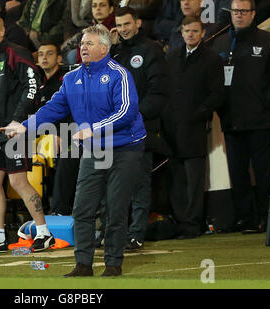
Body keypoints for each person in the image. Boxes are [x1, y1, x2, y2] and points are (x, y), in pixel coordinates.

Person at [0, 24, 146, 276]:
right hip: (95, 149)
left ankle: (113, 264)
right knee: (83, 208)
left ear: (104, 47)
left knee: (115, 207)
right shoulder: (72, 77)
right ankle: (83, 264)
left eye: (89, 44)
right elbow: (53, 109)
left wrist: (95, 128)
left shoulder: (118, 74)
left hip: (125, 147)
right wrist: (25, 127)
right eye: (81, 44)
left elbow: (126, 111)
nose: (83, 48)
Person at [0, 14, 54, 254]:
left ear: (2, 32)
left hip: (16, 131)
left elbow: (32, 87)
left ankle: (44, 233)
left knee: (18, 181)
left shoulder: (16, 53)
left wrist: (18, 121)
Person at [212, 0, 270, 233]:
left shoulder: (267, 40)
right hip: (231, 120)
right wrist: (219, 106)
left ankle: (265, 217)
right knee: (237, 171)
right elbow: (214, 80)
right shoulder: (221, 42)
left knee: (262, 172)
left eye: (244, 11)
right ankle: (244, 217)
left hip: (259, 120)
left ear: (253, 14)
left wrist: (265, 102)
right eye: (235, 11)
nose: (239, 15)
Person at [110, 6, 170, 250]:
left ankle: (136, 234)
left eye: (127, 24)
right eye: (120, 25)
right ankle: (115, 233)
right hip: (113, 132)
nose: (124, 29)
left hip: (139, 129)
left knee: (139, 185)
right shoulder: (114, 53)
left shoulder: (151, 50)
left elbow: (158, 93)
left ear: (137, 23)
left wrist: (132, 116)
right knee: (114, 185)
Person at [161, 16, 224, 239]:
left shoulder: (212, 59)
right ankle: (180, 222)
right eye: (186, 30)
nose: (190, 34)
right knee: (176, 180)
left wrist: (199, 114)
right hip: (172, 129)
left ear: (203, 33)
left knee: (194, 181)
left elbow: (217, 94)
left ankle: (192, 224)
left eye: (194, 31)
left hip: (195, 129)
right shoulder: (172, 56)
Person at [35, 41, 79, 216]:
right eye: (40, 54)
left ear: (60, 58)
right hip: (42, 137)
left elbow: (73, 112)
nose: (44, 58)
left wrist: (60, 134)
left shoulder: (66, 80)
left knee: (67, 157)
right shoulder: (36, 83)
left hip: (69, 134)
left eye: (49, 54)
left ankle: (60, 210)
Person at [61, 0, 115, 64]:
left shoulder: (116, 28)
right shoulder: (88, 30)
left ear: (111, 9)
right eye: (94, 6)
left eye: (102, 5)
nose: (98, 8)